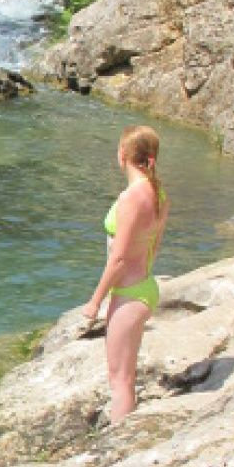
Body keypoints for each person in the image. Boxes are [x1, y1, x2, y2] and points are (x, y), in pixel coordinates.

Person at [81, 125, 169, 424]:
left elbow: (117, 259)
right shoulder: (159, 193)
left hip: (128, 295)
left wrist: (95, 301)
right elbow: (154, 247)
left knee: (118, 381)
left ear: (122, 155)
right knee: (127, 378)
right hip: (145, 286)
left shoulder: (131, 198)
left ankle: (117, 446)